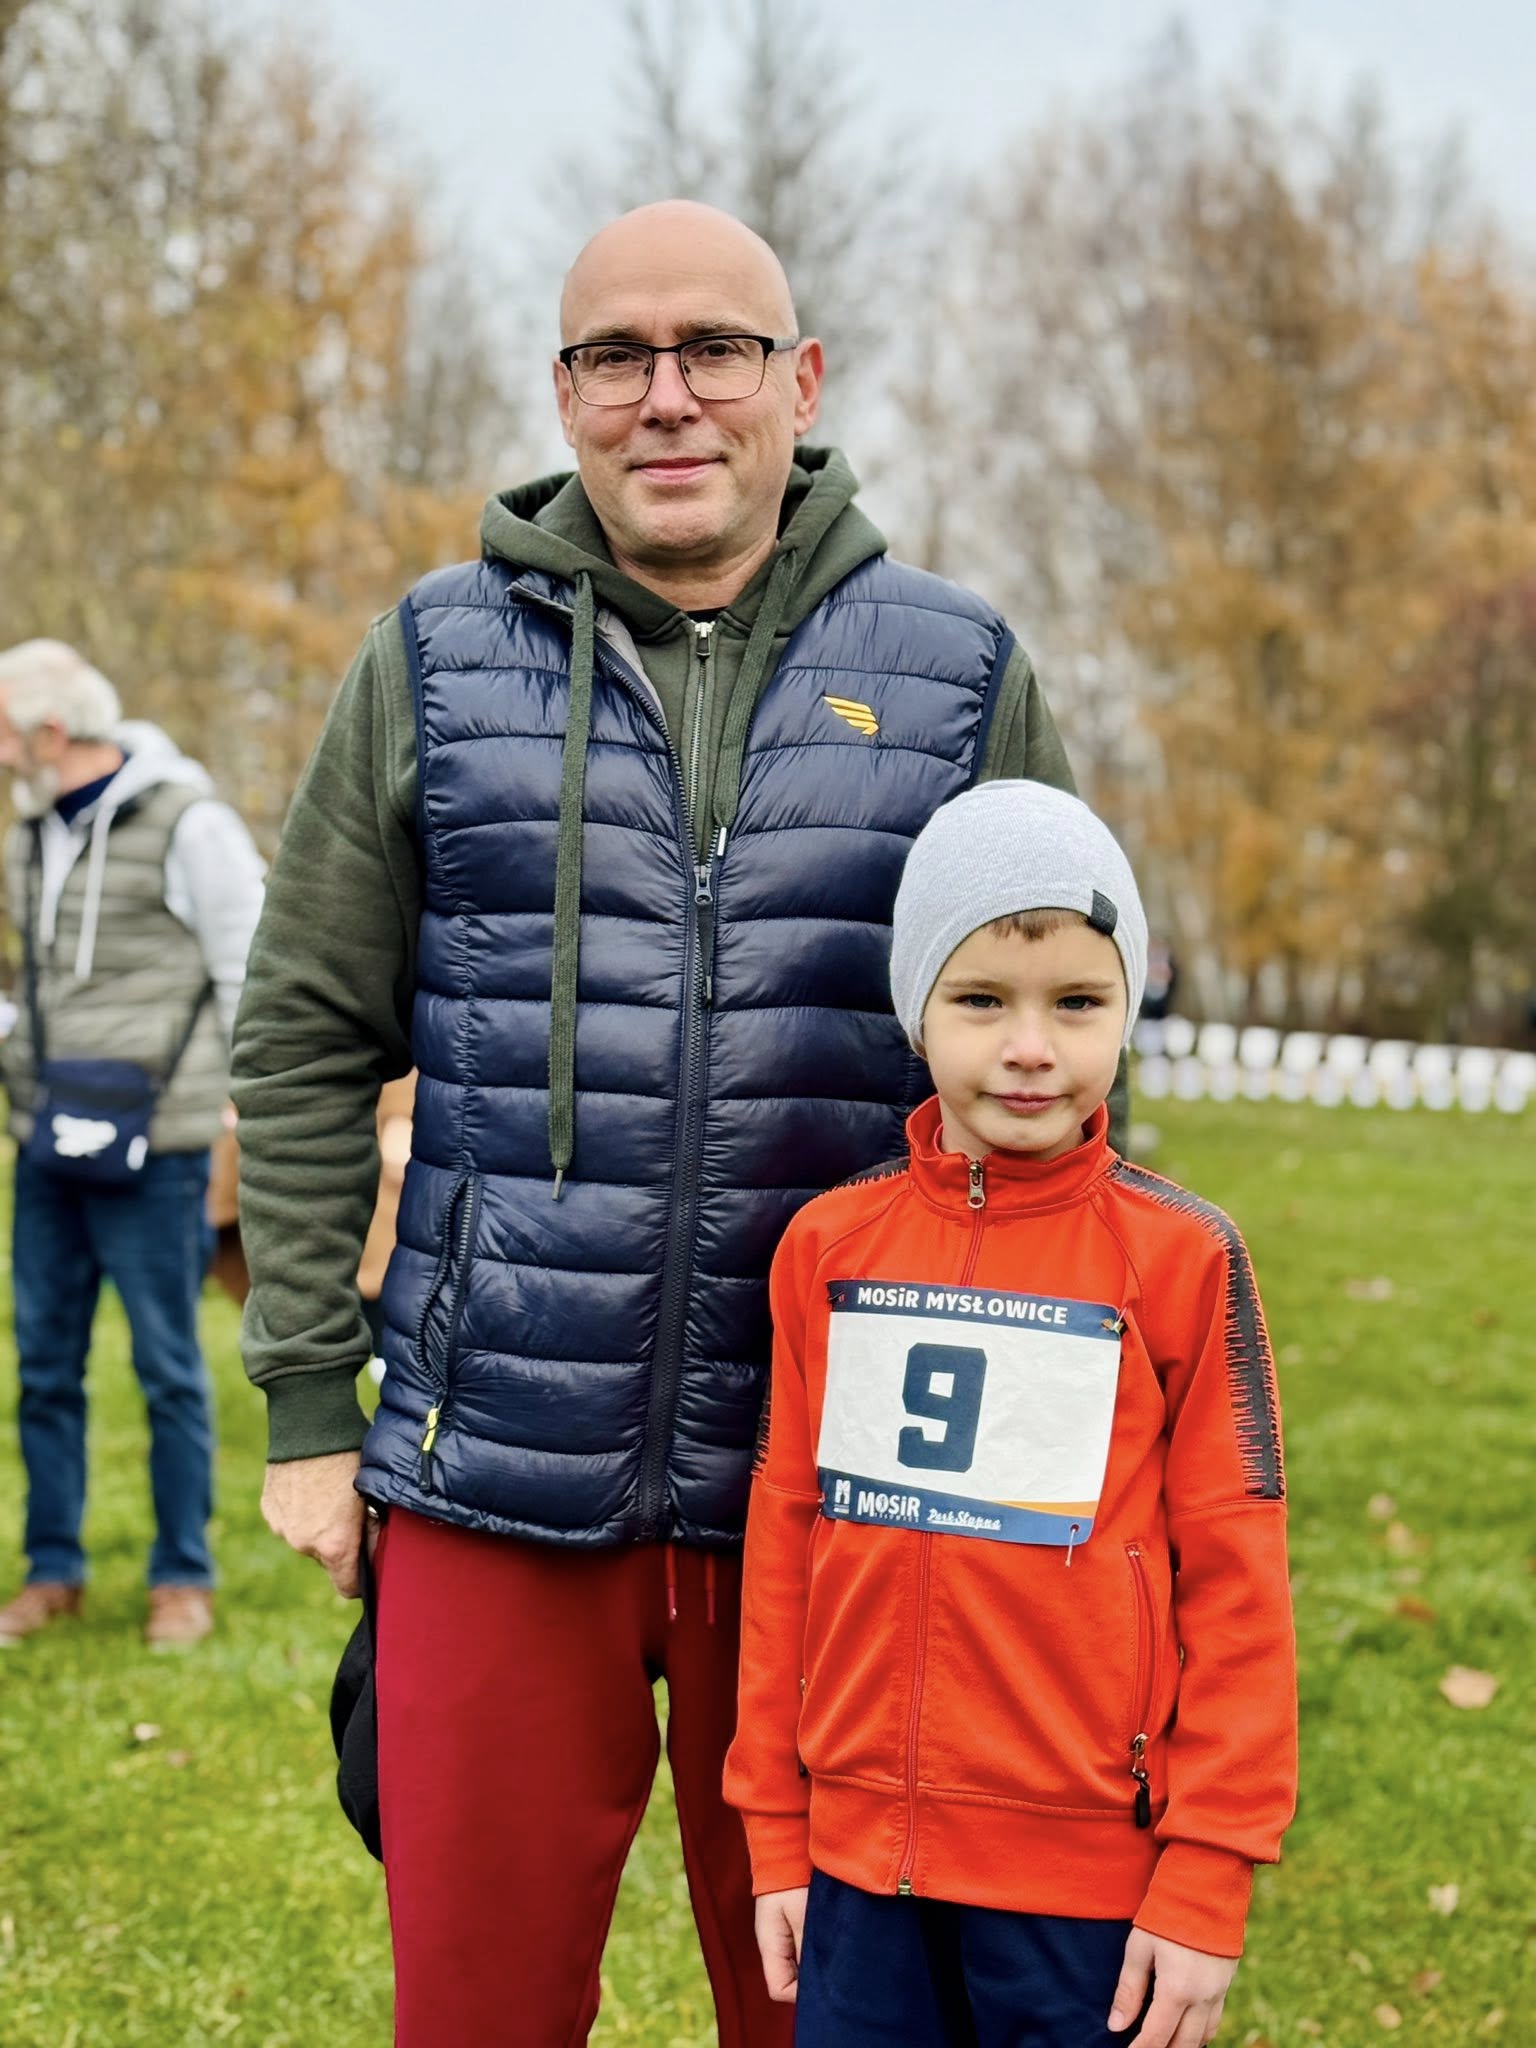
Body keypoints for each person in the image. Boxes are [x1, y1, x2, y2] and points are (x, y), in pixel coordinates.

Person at [232, 200, 1094, 2046]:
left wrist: (1038, 1459)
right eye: (616, 357)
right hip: (494, 1470)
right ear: (563, 393)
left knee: (824, 2012)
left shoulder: (957, 674)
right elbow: (304, 1031)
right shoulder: (431, 659)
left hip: (838, 1495)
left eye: (713, 349)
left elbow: (1064, 1076)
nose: (667, 396)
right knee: (474, 2006)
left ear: (800, 382)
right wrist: (313, 1402)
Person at [726, 781, 1297, 2048]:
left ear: (1125, 1012)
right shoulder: (828, 1247)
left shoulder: (1186, 1257)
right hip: (862, 1869)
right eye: (982, 999)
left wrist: (1209, 1870)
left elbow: (1239, 1576)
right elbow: (784, 1548)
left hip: (1087, 1881)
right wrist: (776, 1824)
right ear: (915, 1011)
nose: (1030, 1045)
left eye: (1078, 1003)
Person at [0, 641, 265, 1648]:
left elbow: (249, 963)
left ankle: (180, 1577)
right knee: (43, 1365)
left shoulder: (188, 821)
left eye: (3, 728)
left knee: (166, 1365)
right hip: (45, 1140)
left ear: (49, 732)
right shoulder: (30, 836)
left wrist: (246, 1107)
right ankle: (52, 1568)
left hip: (160, 1144)